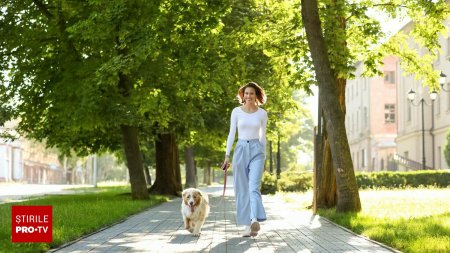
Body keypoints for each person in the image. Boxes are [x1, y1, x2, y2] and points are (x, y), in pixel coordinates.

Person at [223, 81, 267, 237]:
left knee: (253, 187)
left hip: (257, 150)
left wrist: (264, 155)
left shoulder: (262, 113)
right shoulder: (236, 111)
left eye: (252, 93)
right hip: (240, 149)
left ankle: (254, 219)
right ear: (243, 95)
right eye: (246, 93)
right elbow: (231, 134)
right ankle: (247, 226)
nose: (248, 96)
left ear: (256, 96)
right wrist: (227, 155)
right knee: (242, 189)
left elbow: (263, 136)